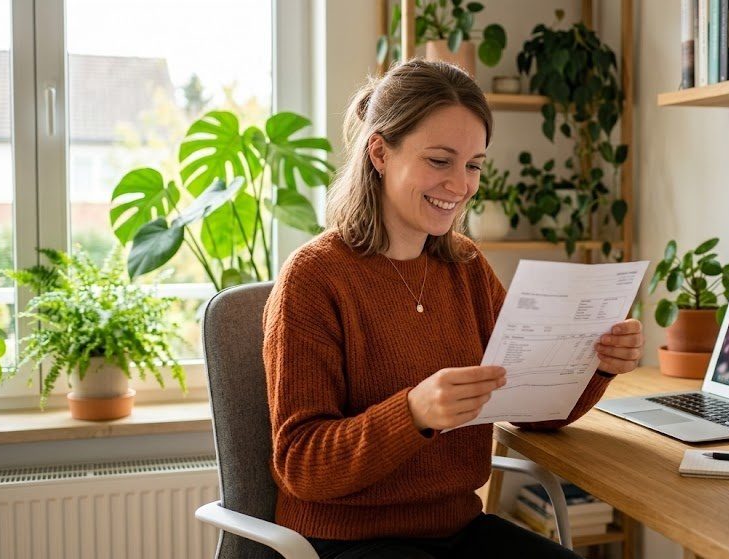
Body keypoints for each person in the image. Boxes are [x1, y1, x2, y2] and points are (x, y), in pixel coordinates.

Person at [262, 59, 645, 559]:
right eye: (440, 161)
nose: (461, 185)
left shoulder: (465, 267)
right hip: (347, 541)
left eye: (474, 165)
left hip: (459, 529)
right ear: (379, 151)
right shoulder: (313, 278)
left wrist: (598, 363)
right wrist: (414, 413)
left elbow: (533, 409)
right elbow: (302, 464)